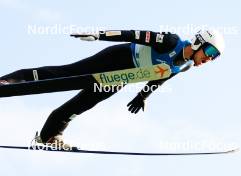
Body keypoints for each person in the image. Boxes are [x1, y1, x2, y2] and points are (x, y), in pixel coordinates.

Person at [0, 29, 225, 149]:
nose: (209, 59)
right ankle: (9, 81)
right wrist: (100, 35)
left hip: (120, 78)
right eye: (210, 53)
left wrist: (142, 96)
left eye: (214, 58)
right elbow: (133, 34)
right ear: (199, 42)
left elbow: (160, 78)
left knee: (82, 105)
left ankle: (48, 136)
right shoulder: (170, 42)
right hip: (115, 59)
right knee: (64, 73)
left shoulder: (183, 66)